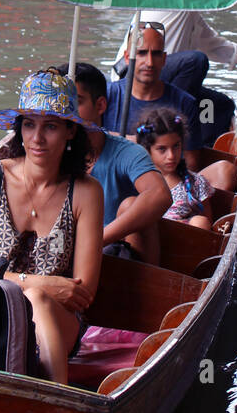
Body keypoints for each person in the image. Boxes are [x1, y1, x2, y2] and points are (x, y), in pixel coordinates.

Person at [0, 68, 104, 385]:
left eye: (50, 126)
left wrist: (42, 294)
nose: (36, 138)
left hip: (59, 322)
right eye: (29, 124)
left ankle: (57, 399)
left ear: (70, 131)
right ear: (19, 129)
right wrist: (39, 284)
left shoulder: (86, 192)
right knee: (37, 294)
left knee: (39, 301)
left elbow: (83, 291)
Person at [110, 10, 237, 145]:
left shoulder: (190, 12)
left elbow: (209, 41)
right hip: (133, 77)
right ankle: (161, 128)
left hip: (165, 78)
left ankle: (197, 144)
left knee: (222, 106)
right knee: (196, 61)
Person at [58, 60, 170, 265]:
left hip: (116, 258)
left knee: (131, 204)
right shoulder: (49, 152)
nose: (66, 112)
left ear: (100, 105)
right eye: (61, 103)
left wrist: (95, 241)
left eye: (77, 102)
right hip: (61, 253)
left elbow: (159, 194)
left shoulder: (127, 152)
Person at [104, 24, 214, 170]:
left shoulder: (185, 103)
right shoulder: (107, 95)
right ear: (127, 57)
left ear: (164, 59)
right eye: (141, 53)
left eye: (155, 54)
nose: (149, 63)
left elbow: (191, 164)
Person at [135, 110, 214, 231]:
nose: (171, 156)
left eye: (176, 146)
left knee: (200, 221)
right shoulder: (134, 182)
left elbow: (208, 230)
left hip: (185, 243)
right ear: (147, 150)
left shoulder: (196, 183)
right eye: (162, 149)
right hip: (147, 241)